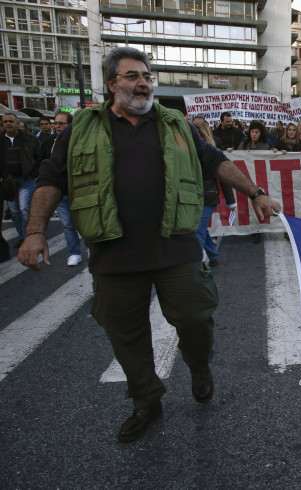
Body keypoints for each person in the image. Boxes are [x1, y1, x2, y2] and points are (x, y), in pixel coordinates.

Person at [17, 47, 281, 443]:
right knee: (126, 332)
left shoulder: (176, 124)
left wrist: (256, 192)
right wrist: (35, 231)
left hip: (176, 247)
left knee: (195, 316)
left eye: (146, 76)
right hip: (113, 253)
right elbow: (51, 179)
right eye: (131, 76)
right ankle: (146, 401)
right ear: (111, 84)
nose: (143, 83)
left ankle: (198, 366)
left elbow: (215, 161)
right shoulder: (81, 128)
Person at [43, 111, 85, 266]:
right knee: (67, 225)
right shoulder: (49, 142)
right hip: (61, 193)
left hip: (78, 190)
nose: (58, 126)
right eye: (56, 123)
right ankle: (74, 252)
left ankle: (90, 250)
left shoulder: (77, 140)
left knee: (86, 223)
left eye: (62, 123)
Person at [193, 120, 236, 267]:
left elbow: (225, 177)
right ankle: (212, 255)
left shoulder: (212, 152)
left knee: (197, 230)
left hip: (208, 196)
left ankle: (197, 266)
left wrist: (231, 201)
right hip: (192, 197)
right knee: (200, 229)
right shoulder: (187, 151)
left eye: (198, 135)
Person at [1, 112, 42, 248]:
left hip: (26, 180)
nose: (8, 124)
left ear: (17, 123)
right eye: (5, 121)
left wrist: (33, 174)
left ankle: (26, 237)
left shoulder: (30, 139)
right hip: (8, 182)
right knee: (14, 212)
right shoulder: (1, 141)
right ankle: (21, 236)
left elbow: (39, 158)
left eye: (11, 121)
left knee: (24, 208)